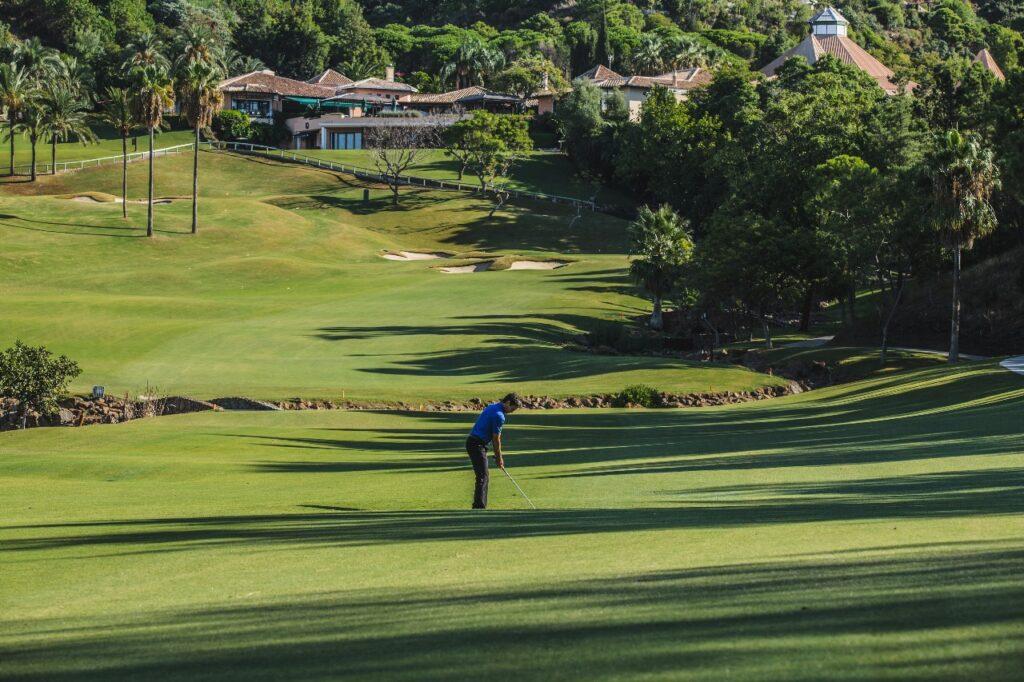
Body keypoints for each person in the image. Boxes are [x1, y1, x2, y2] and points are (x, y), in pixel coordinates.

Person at [465, 393, 523, 509]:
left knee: (483, 475)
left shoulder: (492, 407)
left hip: (474, 442)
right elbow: (496, 439)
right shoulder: (499, 415)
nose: (512, 411)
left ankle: (479, 505)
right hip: (476, 444)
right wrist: (499, 458)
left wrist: (497, 457)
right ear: (507, 403)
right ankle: (479, 506)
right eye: (512, 408)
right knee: (483, 475)